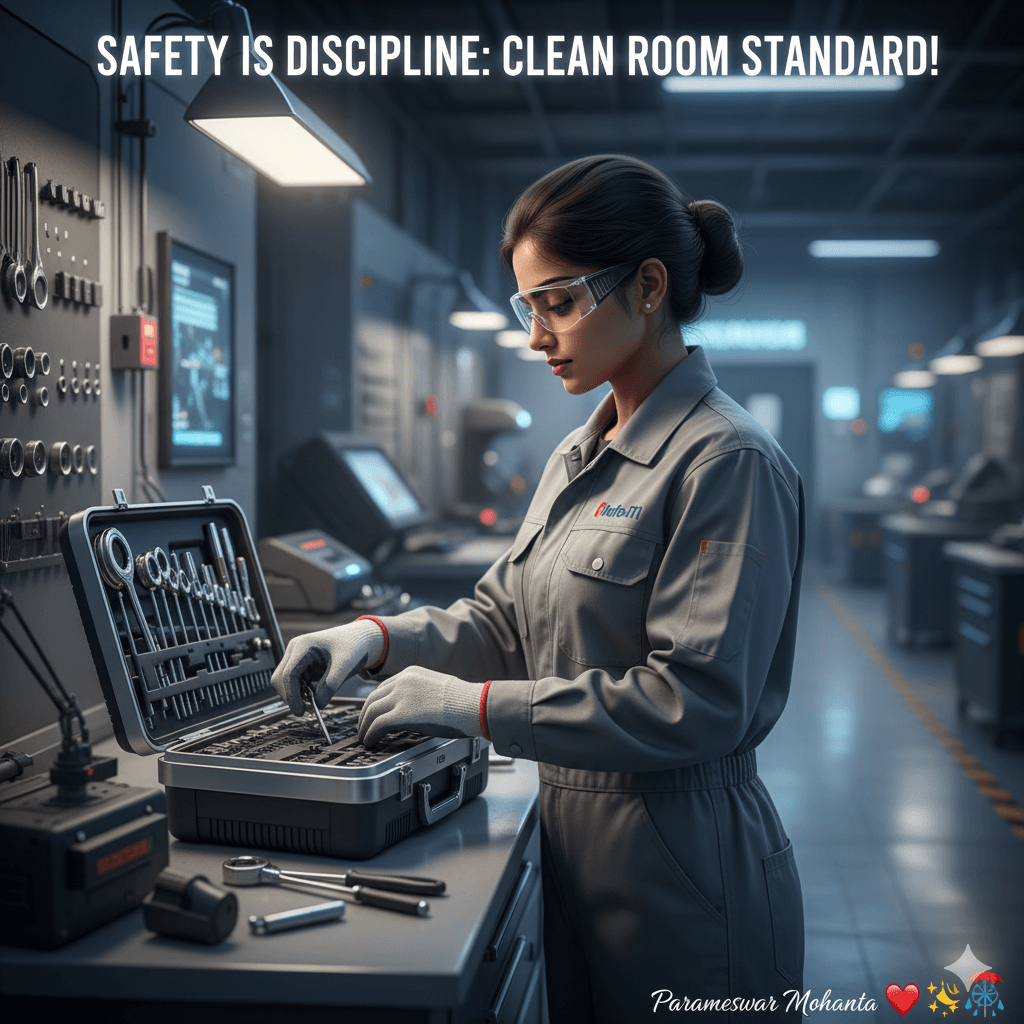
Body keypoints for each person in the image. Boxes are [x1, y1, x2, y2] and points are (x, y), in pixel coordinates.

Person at [272, 154, 805, 1023]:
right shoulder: (575, 456)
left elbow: (698, 701)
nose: (535, 335)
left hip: (685, 865)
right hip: (565, 840)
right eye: (529, 307)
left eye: (557, 302)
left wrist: (472, 707)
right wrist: (374, 636)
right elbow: (499, 616)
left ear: (647, 286)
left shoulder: (727, 461)